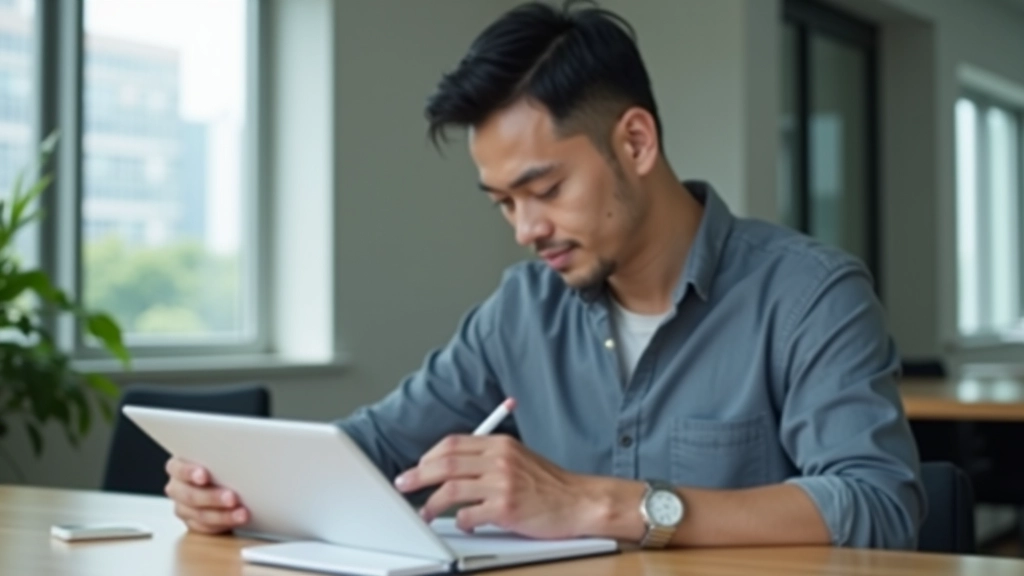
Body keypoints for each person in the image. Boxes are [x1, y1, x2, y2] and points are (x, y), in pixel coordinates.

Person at [163, 0, 924, 549]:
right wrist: (236, 489)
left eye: (547, 190)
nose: (527, 231)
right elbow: (374, 447)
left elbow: (879, 502)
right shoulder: (520, 310)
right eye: (503, 204)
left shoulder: (808, 295)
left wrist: (599, 504)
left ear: (634, 141)